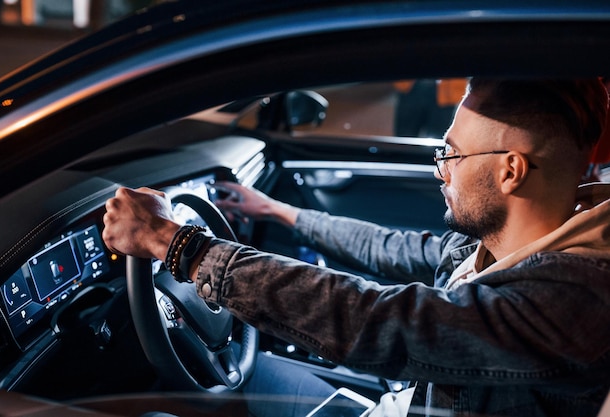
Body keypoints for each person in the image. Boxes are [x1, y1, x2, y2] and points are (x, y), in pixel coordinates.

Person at [102, 78, 610, 417]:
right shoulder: (507, 246)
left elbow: (376, 321)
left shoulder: (572, 303)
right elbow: (395, 248)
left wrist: (178, 245)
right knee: (249, 376)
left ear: (510, 171)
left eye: (451, 153)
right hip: (403, 403)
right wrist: (282, 213)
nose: (441, 170)